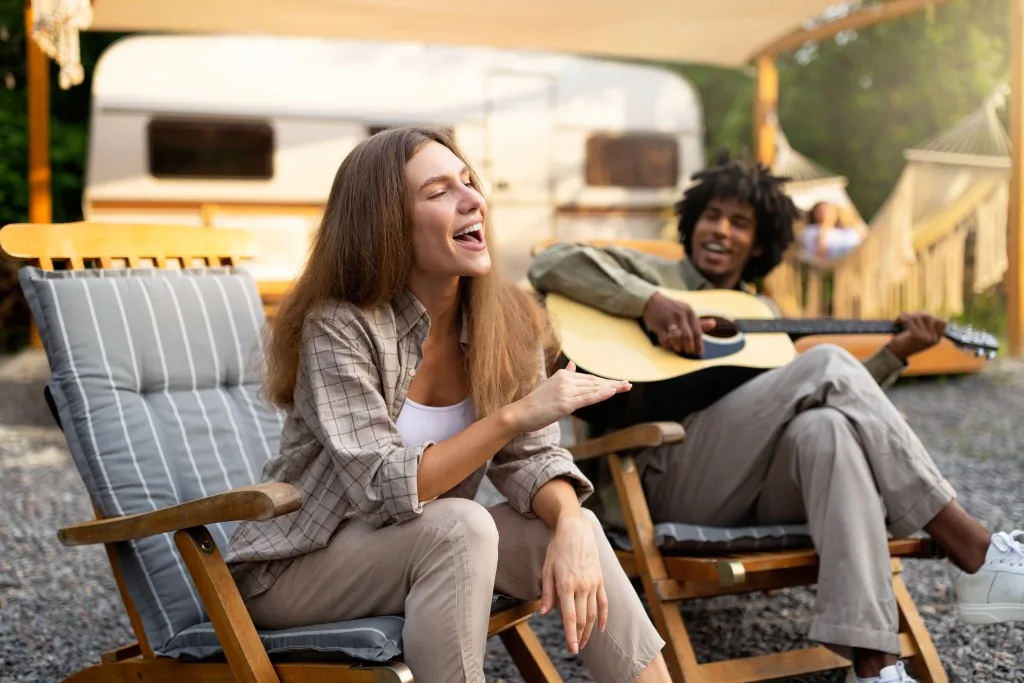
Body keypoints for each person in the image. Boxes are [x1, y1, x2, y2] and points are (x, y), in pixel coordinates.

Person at [528, 158, 1024, 683]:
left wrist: (895, 354)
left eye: (740, 223)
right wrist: (649, 302)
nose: (721, 229)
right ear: (692, 221)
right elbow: (553, 263)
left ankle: (875, 668)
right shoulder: (652, 275)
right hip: (659, 475)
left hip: (748, 483)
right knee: (828, 362)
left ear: (759, 244)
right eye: (712, 216)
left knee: (826, 428)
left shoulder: (762, 312)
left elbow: (821, 394)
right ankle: (974, 549)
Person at [225, 126, 671, 683]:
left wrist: (574, 524)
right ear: (385, 224)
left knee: (557, 527)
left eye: (468, 182)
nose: (471, 200)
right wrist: (514, 415)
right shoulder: (340, 327)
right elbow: (384, 486)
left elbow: (531, 461)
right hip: (299, 568)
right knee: (462, 525)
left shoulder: (506, 320)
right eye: (438, 192)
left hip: (417, 548)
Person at [800, 200, 867, 261]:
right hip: (842, 260)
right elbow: (818, 257)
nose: (825, 213)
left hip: (860, 253)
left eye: (829, 210)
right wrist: (823, 231)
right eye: (821, 211)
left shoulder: (846, 230)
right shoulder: (811, 231)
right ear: (814, 214)